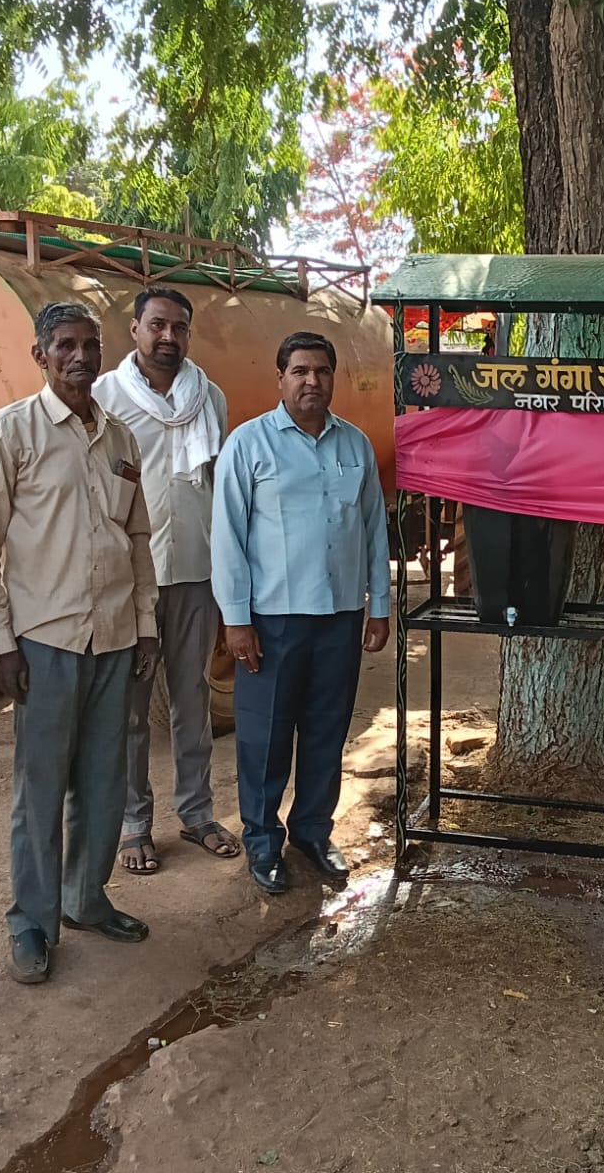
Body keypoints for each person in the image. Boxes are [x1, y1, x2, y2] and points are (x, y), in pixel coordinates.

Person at [0, 301, 160, 985]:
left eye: (89, 345)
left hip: (115, 638)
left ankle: (86, 899)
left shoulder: (120, 437)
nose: (80, 357)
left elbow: (139, 538)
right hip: (45, 641)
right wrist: (0, 643)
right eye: (65, 345)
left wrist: (146, 626)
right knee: (41, 790)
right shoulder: (8, 432)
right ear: (40, 355)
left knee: (104, 782)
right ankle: (32, 922)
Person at [212, 330, 390, 893]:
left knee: (325, 730)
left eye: (322, 371)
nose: (312, 381)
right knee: (264, 736)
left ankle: (312, 830)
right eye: (300, 371)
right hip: (272, 621)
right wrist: (236, 620)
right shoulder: (249, 444)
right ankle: (262, 841)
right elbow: (227, 538)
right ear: (281, 378)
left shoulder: (355, 445)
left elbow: (374, 530)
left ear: (333, 377)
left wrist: (380, 606)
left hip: (339, 616)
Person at [93, 287, 234, 874]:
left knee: (191, 697)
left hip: (196, 568)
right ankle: (134, 823)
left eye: (179, 327)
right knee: (129, 708)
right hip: (132, 575)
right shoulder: (104, 396)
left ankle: (197, 813)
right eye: (157, 325)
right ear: (135, 330)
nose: (168, 337)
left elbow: (217, 486)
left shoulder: (211, 397)